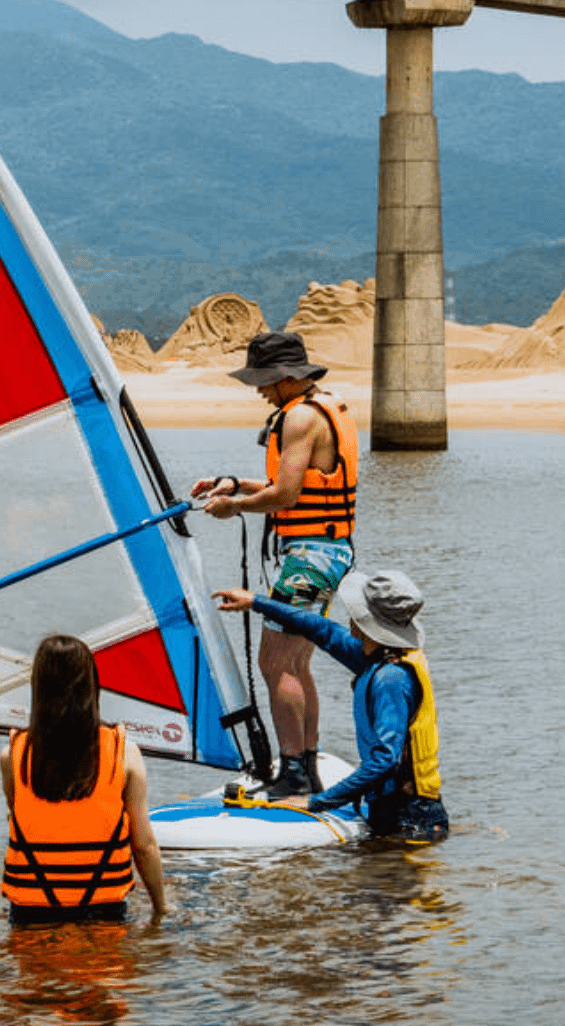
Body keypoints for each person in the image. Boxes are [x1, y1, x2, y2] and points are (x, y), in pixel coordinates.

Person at [190, 331, 357, 798]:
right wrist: (234, 484)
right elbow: (293, 483)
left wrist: (234, 508)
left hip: (310, 557)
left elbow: (285, 495)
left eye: (262, 381)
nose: (259, 391)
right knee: (297, 663)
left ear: (285, 377)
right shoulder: (324, 406)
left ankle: (295, 772)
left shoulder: (299, 417)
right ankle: (306, 764)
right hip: (328, 551)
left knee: (274, 662)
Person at [214, 569, 449, 843]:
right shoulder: (376, 656)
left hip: (410, 818)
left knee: (385, 871)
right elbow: (320, 629)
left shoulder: (391, 678)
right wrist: (255, 602)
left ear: (363, 622)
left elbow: (385, 760)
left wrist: (315, 802)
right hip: (398, 812)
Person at [0, 635, 167, 925]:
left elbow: (21, 818)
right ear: (91, 685)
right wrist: (160, 907)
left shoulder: (12, 755)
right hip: (104, 913)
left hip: (30, 916)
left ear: (38, 687)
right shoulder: (124, 753)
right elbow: (143, 845)